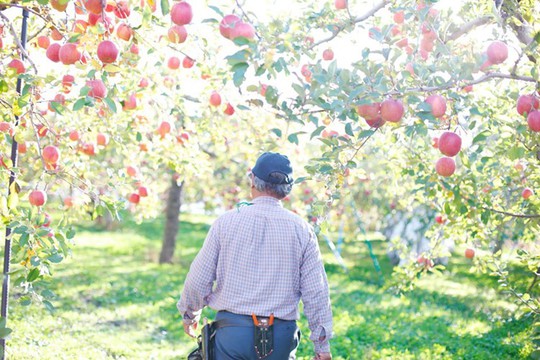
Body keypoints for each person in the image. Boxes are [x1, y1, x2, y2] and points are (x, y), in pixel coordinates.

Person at [177, 152, 333, 359]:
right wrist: (321, 345)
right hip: (280, 338)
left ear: (253, 182)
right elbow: (316, 292)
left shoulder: (226, 223)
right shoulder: (302, 230)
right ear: (287, 190)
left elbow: (199, 278)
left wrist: (190, 314)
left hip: (231, 334)